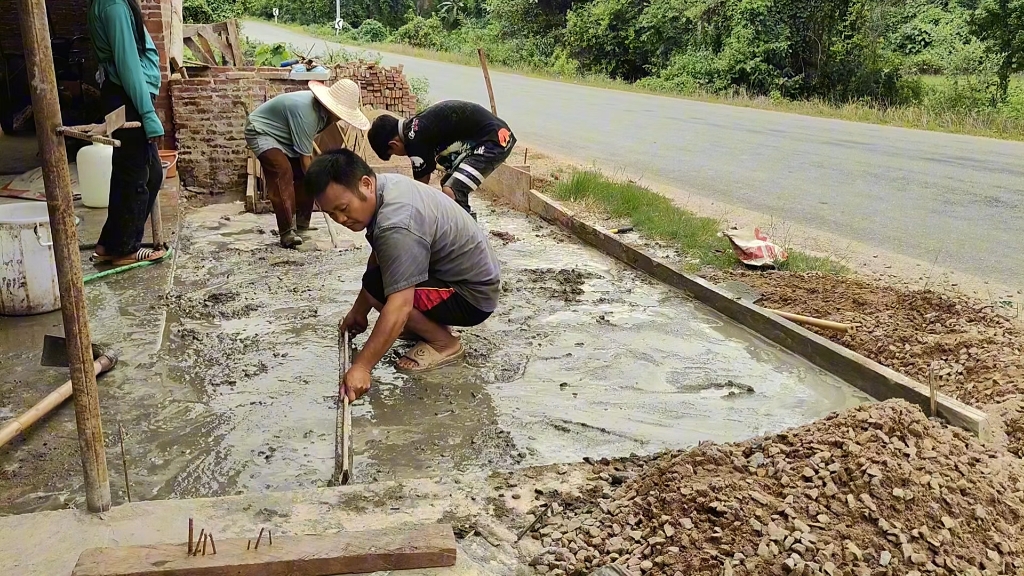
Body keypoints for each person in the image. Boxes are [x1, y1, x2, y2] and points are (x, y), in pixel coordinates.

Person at [304, 149, 501, 401]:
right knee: (377, 282)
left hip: (471, 295)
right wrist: (359, 312)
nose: (341, 219)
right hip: (455, 277)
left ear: (365, 184)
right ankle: (429, 326)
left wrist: (362, 367)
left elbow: (399, 305)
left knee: (380, 291)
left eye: (343, 208)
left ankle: (444, 343)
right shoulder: (385, 187)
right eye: (332, 215)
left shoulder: (396, 222)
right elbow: (382, 257)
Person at [245, 79, 370, 248]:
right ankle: (287, 232)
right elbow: (305, 160)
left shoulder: (326, 116)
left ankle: (302, 223)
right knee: (282, 171)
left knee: (307, 174)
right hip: (261, 131)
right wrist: (321, 187)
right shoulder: (308, 114)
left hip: (285, 136)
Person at [88, 0, 167, 265]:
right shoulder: (113, 7)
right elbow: (127, 63)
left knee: (150, 171)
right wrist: (147, 113)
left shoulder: (116, 4)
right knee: (135, 174)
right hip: (128, 96)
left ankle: (109, 244)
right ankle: (124, 249)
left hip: (128, 94)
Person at [366, 100, 515, 218]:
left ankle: (470, 240)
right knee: (447, 184)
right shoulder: (415, 128)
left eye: (393, 153)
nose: (401, 155)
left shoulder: (414, 140)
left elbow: (420, 189)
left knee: (452, 191)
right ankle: (466, 226)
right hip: (494, 135)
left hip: (494, 140)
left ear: (393, 144)